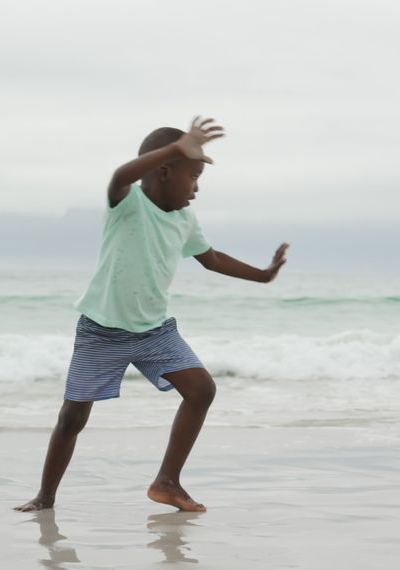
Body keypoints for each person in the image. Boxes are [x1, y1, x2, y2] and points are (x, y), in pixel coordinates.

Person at [15, 117, 288, 513]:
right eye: (192, 177)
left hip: (155, 331)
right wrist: (180, 147)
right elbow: (121, 175)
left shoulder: (183, 220)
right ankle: (45, 497)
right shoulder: (127, 205)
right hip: (101, 331)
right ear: (163, 171)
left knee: (202, 389)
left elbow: (211, 259)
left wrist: (262, 276)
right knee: (73, 417)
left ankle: (167, 482)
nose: (196, 190)